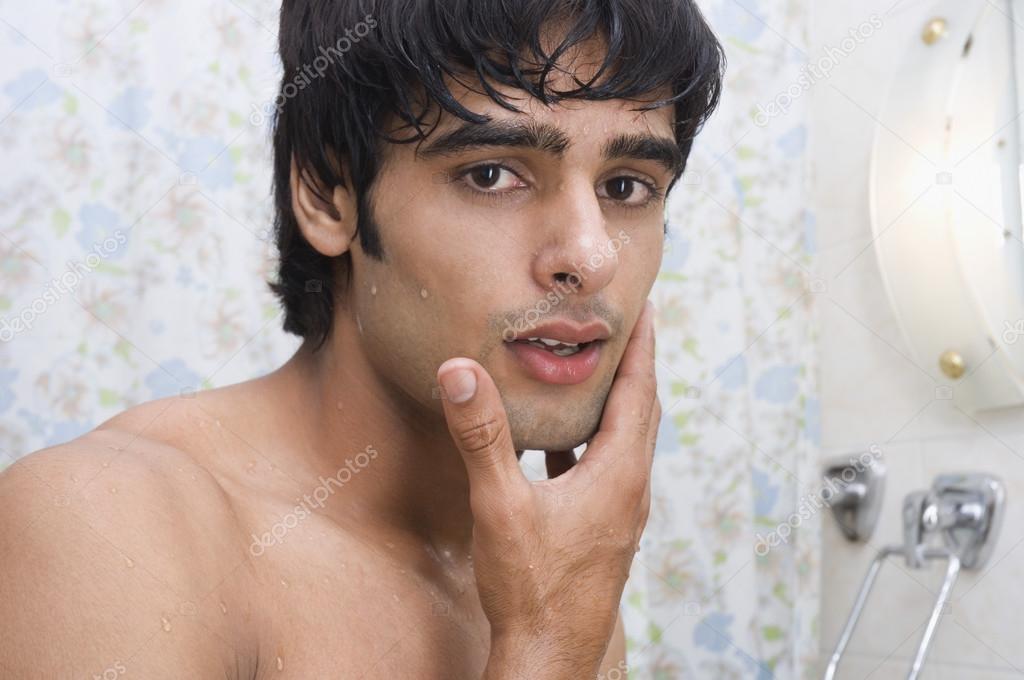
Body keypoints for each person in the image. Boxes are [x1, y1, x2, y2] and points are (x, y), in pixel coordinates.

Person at [0, 0, 724, 677]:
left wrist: (557, 626)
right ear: (326, 194)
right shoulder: (105, 524)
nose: (592, 258)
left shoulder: (550, 572)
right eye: (492, 173)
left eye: (626, 186)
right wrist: (547, 650)